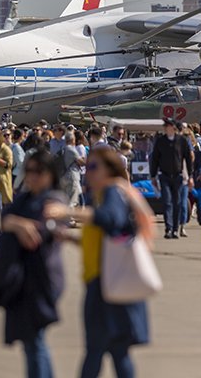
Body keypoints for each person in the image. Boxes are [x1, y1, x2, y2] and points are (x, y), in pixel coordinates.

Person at [45, 147, 151, 378]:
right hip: (106, 281)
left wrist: (68, 211)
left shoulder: (113, 191)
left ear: (109, 170)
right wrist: (72, 239)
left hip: (106, 285)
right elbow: (109, 239)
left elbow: (111, 219)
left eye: (93, 167)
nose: (87, 172)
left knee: (98, 351)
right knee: (114, 351)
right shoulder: (103, 195)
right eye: (87, 167)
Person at [0, 150, 65, 378]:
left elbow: (44, 228)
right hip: (21, 279)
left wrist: (15, 223)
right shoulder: (25, 198)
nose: (31, 176)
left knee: (35, 342)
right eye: (27, 171)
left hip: (41, 277)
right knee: (33, 342)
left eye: (37, 172)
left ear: (50, 174)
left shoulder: (54, 200)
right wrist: (14, 223)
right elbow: (2, 218)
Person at [149, 118, 193, 239]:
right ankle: (168, 229)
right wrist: (153, 176)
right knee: (167, 202)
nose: (167, 128)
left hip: (178, 176)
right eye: (165, 127)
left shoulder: (182, 141)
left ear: (173, 128)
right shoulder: (160, 141)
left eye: (169, 126)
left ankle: (175, 229)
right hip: (165, 176)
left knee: (177, 203)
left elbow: (188, 159)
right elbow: (155, 159)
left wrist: (190, 176)